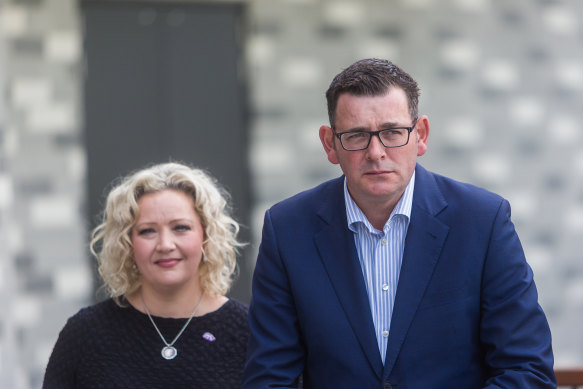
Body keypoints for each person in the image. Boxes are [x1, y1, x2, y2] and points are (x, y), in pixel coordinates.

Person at [243, 58, 555, 388]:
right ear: (330, 144)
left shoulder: (482, 221)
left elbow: (526, 369)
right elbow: (269, 377)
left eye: (392, 132)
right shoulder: (288, 229)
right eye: (356, 135)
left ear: (420, 136)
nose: (376, 152)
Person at [43, 162, 248, 388]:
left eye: (180, 227)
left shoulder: (249, 332)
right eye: (147, 231)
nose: (165, 244)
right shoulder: (85, 334)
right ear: (127, 244)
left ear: (206, 235)